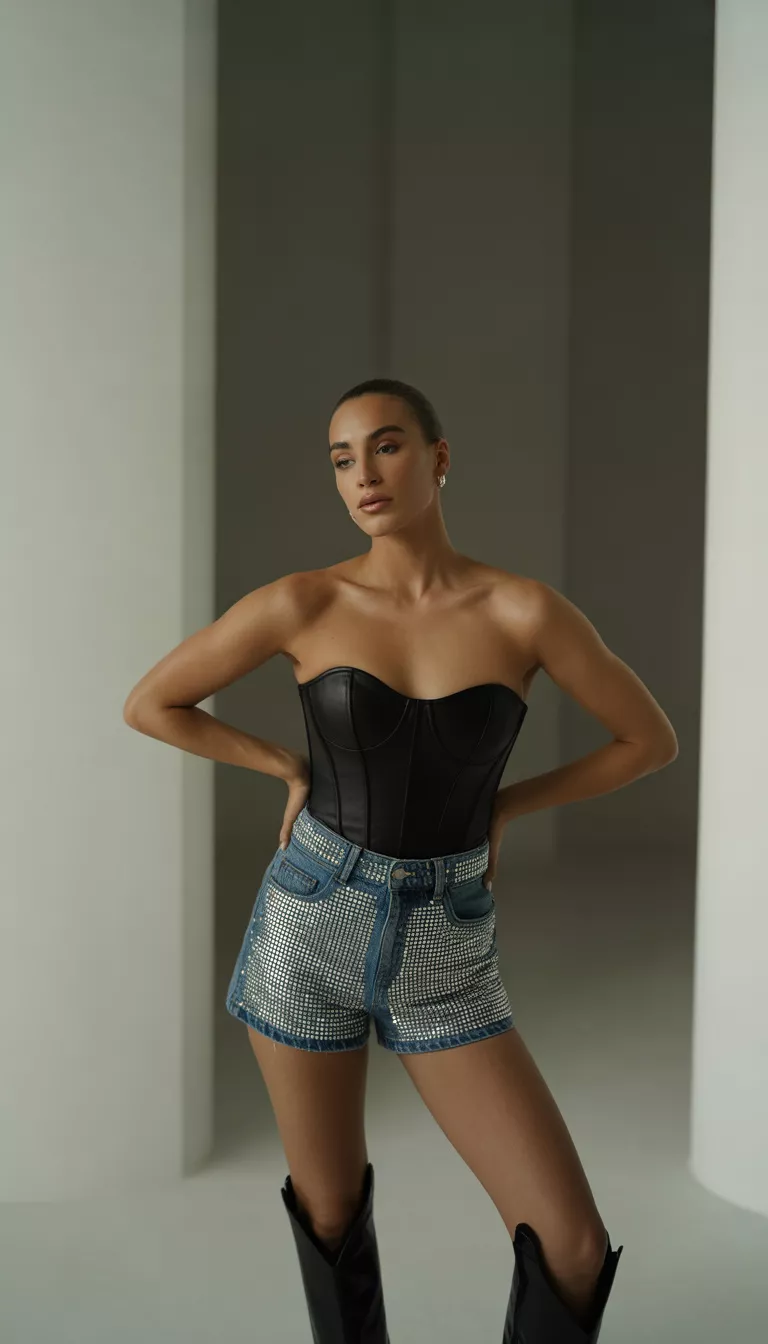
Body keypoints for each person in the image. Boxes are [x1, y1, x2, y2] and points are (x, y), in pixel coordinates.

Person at [123, 377, 678, 1342]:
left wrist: (508, 804)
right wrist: (282, 764)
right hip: (308, 923)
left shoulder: (524, 612)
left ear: (439, 458)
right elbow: (151, 702)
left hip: (445, 945)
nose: (362, 475)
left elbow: (650, 741)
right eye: (342, 458)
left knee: (573, 1245)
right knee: (330, 1213)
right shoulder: (304, 600)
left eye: (385, 447)